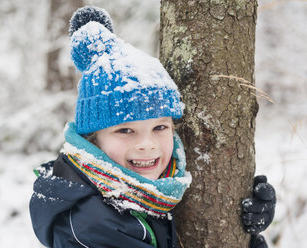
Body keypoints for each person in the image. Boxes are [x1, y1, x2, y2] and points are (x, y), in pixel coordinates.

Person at [29, 6, 276, 248]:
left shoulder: (144, 191)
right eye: (125, 130)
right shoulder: (92, 226)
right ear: (92, 139)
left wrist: (239, 225)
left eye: (160, 127)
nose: (147, 144)